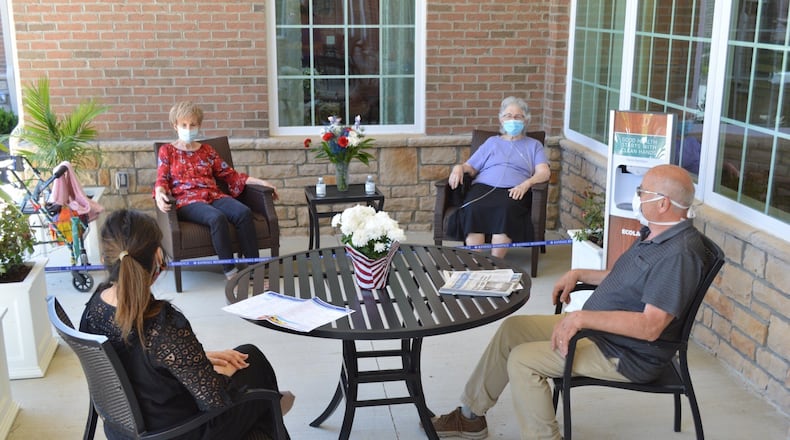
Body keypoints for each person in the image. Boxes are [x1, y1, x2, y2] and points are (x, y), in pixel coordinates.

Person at [432, 164, 710, 440]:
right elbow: (625, 276)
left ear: (662, 204)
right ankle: (470, 417)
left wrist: (581, 318)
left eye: (642, 191)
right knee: (512, 330)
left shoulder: (678, 255)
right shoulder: (657, 233)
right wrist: (578, 273)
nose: (637, 196)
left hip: (625, 353)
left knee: (522, 360)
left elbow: (650, 327)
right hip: (602, 333)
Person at [80, 209, 294, 440]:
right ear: (157, 258)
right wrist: (222, 374)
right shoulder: (163, 323)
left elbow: (136, 363)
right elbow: (216, 400)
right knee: (257, 376)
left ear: (106, 260)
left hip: (125, 429)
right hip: (178, 432)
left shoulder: (94, 308)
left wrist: (194, 361)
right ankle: (271, 412)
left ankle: (270, 414)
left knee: (248, 358)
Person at [153, 101, 279, 280]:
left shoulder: (207, 150)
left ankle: (254, 269)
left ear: (199, 125)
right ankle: (231, 272)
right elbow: (162, 178)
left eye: (193, 124)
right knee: (216, 218)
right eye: (184, 125)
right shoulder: (168, 151)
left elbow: (231, 175)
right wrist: (159, 193)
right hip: (187, 200)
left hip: (213, 195)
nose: (188, 128)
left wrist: (262, 182)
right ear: (175, 126)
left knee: (243, 212)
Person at [447, 96, 551, 258]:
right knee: (473, 208)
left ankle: (495, 263)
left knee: (505, 210)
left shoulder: (533, 145)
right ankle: (476, 261)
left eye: (518, 117)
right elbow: (471, 167)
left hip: (514, 190)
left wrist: (525, 185)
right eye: (508, 116)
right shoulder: (492, 142)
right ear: (501, 119)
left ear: (526, 120)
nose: (512, 120)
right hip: (483, 188)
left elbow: (544, 172)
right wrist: (458, 167)